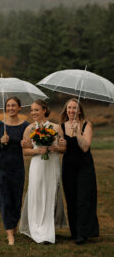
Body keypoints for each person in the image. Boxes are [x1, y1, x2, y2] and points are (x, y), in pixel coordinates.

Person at [19, 99, 67, 244]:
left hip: (52, 164)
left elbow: (64, 149)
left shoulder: (57, 127)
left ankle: (48, 228)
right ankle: (36, 228)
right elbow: (25, 152)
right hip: (37, 165)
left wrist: (55, 148)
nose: (33, 112)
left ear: (45, 110)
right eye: (32, 110)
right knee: (36, 192)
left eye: (36, 110)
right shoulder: (29, 129)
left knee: (51, 192)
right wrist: (38, 150)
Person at [0, 96, 29, 245]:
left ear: (19, 108)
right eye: (8, 106)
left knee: (16, 200)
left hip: (18, 168)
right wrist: (0, 141)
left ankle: (13, 225)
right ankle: (10, 233)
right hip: (2, 168)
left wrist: (27, 143)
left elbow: (32, 145)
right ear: (6, 108)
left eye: (14, 105)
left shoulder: (26, 125)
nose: (11, 108)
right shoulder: (0, 125)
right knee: (5, 200)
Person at [60, 98, 99, 245]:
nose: (71, 111)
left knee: (83, 199)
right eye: (69, 108)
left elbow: (85, 147)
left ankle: (83, 233)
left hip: (84, 167)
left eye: (74, 108)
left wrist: (77, 134)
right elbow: (61, 149)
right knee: (71, 199)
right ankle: (75, 232)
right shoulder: (62, 127)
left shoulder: (87, 125)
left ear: (80, 110)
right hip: (68, 167)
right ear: (66, 110)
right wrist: (61, 145)